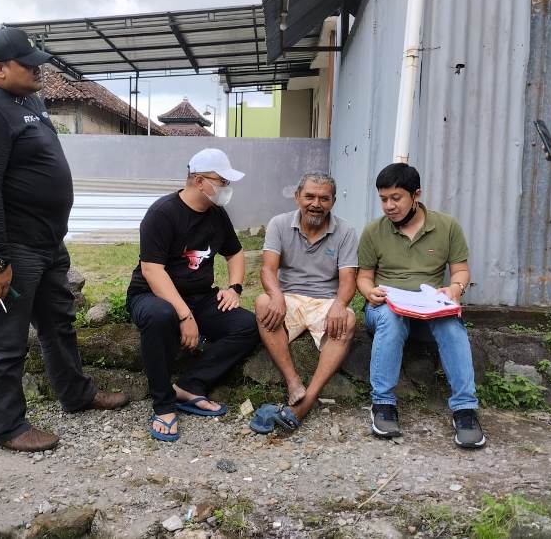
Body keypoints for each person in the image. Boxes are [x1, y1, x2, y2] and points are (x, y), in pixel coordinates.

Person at [0, 27, 128, 453]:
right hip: (11, 247)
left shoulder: (28, 102)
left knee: (58, 324)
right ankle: (7, 427)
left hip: (47, 242)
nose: (38, 67)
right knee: (4, 337)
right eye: (27, 62)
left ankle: (77, 394)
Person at [126, 148, 260, 442]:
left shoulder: (217, 215)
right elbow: (152, 270)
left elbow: (235, 253)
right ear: (199, 181)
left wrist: (234, 288)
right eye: (222, 181)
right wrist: (184, 315)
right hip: (153, 295)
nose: (227, 188)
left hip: (200, 296)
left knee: (247, 326)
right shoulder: (162, 213)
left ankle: (189, 386)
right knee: (161, 316)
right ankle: (163, 405)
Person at [356, 163, 486, 449]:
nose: (388, 206)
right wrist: (370, 291)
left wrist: (455, 288)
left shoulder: (447, 226)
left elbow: (461, 271)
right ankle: (383, 405)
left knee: (451, 323)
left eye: (396, 198)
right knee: (390, 319)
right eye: (383, 199)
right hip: (386, 306)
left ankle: (465, 411)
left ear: (416, 195)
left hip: (428, 308)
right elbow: (363, 277)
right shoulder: (373, 231)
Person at [249, 172, 358, 434]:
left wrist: (340, 305)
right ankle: (293, 381)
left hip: (326, 301)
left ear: (333, 201)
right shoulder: (279, 223)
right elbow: (267, 269)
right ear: (298, 197)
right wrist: (276, 295)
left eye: (324, 198)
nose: (316, 203)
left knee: (349, 319)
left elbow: (348, 279)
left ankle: (307, 401)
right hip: (290, 298)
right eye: (309, 196)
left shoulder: (346, 231)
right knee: (264, 303)